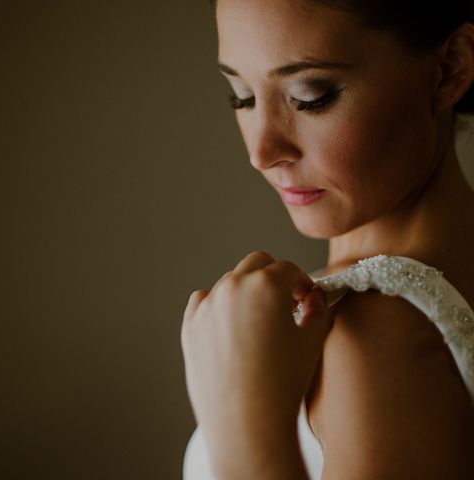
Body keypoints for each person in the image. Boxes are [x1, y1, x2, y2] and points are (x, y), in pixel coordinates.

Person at [180, 1, 474, 478]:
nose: (261, 152)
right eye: (242, 96)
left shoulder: (375, 335)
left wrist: (242, 421)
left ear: (448, 69)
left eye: (309, 96)